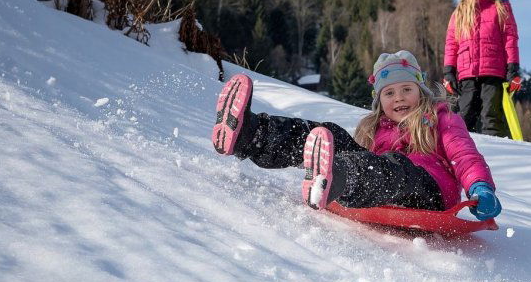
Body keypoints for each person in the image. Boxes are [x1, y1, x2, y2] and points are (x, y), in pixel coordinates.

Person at [211, 50, 502, 220]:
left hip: (431, 190)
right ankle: (251, 134)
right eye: (389, 93)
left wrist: (479, 187)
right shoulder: (375, 127)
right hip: (384, 179)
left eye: (407, 90)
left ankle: (334, 178)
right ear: (379, 99)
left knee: (391, 168)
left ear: (421, 91)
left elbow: (464, 154)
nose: (399, 98)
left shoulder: (439, 117)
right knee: (330, 134)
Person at [443, 0, 522, 138]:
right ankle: (462, 153)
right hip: (466, 73)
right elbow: (451, 43)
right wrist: (449, 72)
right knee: (465, 115)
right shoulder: (461, 11)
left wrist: (513, 68)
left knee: (491, 115)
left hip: (494, 72)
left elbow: (510, 38)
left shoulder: (500, 6)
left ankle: (496, 153)